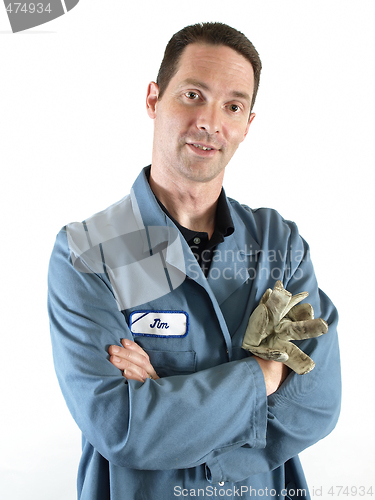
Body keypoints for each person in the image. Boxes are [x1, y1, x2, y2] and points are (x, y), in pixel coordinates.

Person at [48, 22, 341, 500]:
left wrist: (169, 406)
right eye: (192, 95)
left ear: (248, 123)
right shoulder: (91, 252)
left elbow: (315, 404)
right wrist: (263, 376)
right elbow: (123, 426)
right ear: (153, 99)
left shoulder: (279, 246)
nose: (210, 121)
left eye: (233, 106)